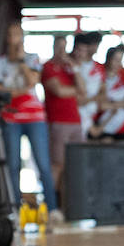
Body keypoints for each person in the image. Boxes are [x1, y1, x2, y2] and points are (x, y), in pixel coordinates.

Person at [0, 22, 57, 216]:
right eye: (10, 35)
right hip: (11, 118)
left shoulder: (32, 59)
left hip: (34, 118)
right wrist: (18, 92)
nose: (14, 39)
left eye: (17, 35)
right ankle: (13, 206)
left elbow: (32, 81)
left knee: (43, 163)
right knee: (12, 164)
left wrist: (21, 61)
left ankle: (51, 208)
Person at [41, 33, 88, 211]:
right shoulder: (48, 67)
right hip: (57, 121)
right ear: (53, 47)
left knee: (75, 163)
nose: (61, 51)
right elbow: (59, 91)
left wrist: (75, 71)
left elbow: (83, 91)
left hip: (75, 121)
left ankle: (69, 205)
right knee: (57, 164)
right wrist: (75, 90)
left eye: (64, 47)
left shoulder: (70, 69)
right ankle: (52, 205)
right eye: (58, 47)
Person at [90, 45, 124, 141]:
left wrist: (113, 104)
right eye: (115, 59)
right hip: (102, 125)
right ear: (108, 59)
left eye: (120, 60)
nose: (118, 63)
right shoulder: (99, 77)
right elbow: (101, 105)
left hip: (122, 128)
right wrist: (123, 103)